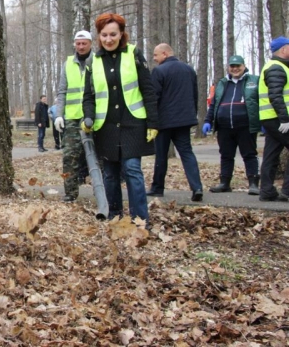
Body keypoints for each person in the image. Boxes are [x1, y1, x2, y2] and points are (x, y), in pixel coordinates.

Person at [81, 13, 158, 224]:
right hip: (105, 125)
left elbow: (148, 89)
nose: (108, 39)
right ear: (99, 36)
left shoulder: (134, 54)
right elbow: (88, 96)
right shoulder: (93, 61)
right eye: (104, 35)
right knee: (110, 174)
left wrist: (153, 121)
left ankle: (140, 218)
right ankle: (114, 215)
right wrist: (88, 117)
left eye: (113, 34)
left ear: (121, 34)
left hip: (133, 123)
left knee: (132, 169)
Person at [147, 43, 203, 202]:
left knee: (161, 155)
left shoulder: (159, 71)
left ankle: (158, 188)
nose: (154, 58)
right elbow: (194, 94)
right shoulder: (189, 70)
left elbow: (154, 98)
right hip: (184, 120)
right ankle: (197, 187)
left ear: (164, 54)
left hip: (164, 121)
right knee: (187, 153)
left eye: (156, 55)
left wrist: (151, 120)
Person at [202, 55, 260, 195]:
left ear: (243, 66)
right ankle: (224, 183)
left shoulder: (253, 81)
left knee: (249, 154)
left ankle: (253, 184)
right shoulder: (222, 83)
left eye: (238, 66)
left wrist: (263, 121)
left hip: (246, 126)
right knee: (226, 155)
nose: (235, 69)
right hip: (224, 127)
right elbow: (214, 105)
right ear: (228, 68)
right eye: (232, 66)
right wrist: (208, 121)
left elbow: (261, 102)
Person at [54, 30, 92, 202]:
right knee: (69, 156)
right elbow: (62, 91)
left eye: (84, 43)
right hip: (72, 118)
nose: (81, 46)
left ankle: (105, 192)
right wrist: (59, 115)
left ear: (90, 44)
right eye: (78, 43)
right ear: (74, 44)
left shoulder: (98, 61)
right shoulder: (68, 63)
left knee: (99, 158)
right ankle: (70, 193)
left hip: (94, 117)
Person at [258, 36, 289, 201]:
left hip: (271, 118)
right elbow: (275, 96)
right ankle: (286, 191)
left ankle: (267, 190)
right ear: (284, 49)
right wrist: (285, 119)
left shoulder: (276, 66)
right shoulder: (277, 68)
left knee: (271, 153)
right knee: (271, 153)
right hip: (278, 118)